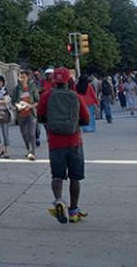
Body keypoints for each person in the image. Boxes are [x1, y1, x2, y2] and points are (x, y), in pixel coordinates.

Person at [36, 67, 90, 225]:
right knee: (75, 178)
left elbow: (40, 117)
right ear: (68, 81)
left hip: (55, 143)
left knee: (57, 176)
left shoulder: (46, 96)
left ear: (54, 81)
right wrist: (73, 123)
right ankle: (73, 211)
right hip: (74, 142)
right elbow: (86, 120)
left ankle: (59, 201)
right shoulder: (76, 97)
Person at [13, 71, 40, 160]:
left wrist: (30, 106)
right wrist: (18, 106)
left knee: (31, 134)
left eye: (24, 77)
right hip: (21, 114)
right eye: (20, 77)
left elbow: (37, 101)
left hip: (31, 114)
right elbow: (14, 101)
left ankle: (32, 153)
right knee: (24, 134)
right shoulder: (16, 89)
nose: (22, 79)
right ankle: (28, 150)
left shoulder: (32, 88)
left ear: (27, 78)